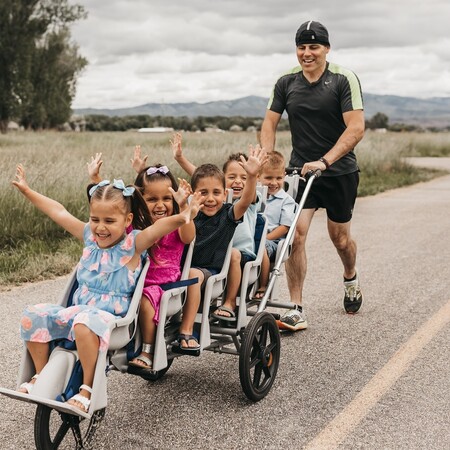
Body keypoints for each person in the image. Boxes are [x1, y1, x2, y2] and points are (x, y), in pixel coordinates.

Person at [12, 165, 201, 412]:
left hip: (114, 319)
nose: (100, 227)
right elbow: (58, 211)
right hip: (80, 311)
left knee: (83, 323)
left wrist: (185, 214)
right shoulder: (90, 236)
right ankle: (40, 374)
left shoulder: (134, 243)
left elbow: (158, 229)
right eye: (95, 219)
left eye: (110, 221)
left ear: (128, 220)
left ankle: (88, 387)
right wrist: (27, 191)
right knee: (33, 315)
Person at [260, 20, 365, 331]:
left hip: (339, 171)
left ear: (326, 48)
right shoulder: (285, 82)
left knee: (340, 239)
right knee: (295, 235)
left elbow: (356, 128)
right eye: (302, 47)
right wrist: (267, 157)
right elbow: (270, 123)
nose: (307, 53)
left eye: (314, 46)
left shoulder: (343, 79)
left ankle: (350, 277)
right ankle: (295, 306)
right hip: (299, 171)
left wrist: (325, 160)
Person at [87, 149, 198, 372]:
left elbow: (189, 236)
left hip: (164, 285)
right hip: (134, 281)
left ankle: (147, 350)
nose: (160, 205)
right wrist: (96, 180)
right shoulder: (136, 225)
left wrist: (184, 207)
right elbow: (112, 208)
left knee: (145, 302)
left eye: (167, 198)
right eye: (151, 199)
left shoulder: (175, 224)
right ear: (140, 200)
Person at [176, 145, 267, 352]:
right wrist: (184, 208)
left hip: (214, 273)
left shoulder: (228, 215)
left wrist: (251, 176)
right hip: (185, 268)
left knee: (192, 275)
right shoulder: (191, 212)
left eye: (216, 193)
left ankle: (187, 330)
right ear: (193, 195)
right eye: (203, 193)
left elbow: (245, 201)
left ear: (224, 193)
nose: (210, 199)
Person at [252, 151, 295, 300]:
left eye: (278, 178)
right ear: (258, 176)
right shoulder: (254, 196)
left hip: (273, 241)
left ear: (284, 176)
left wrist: (265, 238)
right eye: (268, 178)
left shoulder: (286, 200)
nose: (274, 182)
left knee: (261, 247)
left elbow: (285, 227)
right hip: (252, 236)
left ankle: (264, 285)